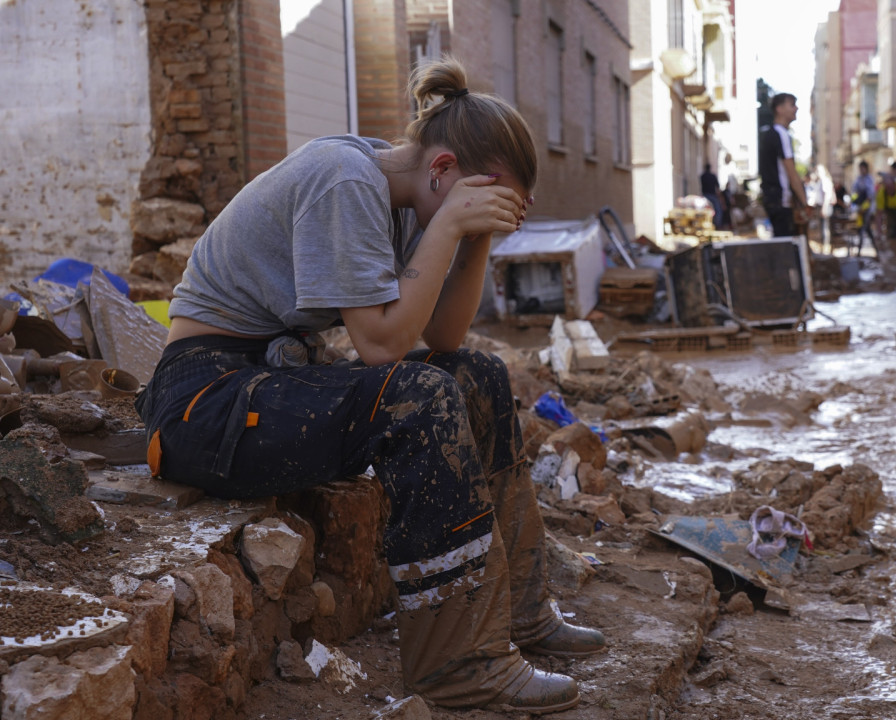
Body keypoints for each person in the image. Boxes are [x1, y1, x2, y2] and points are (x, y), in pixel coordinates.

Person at [133, 57, 603, 714]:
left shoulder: (409, 194)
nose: (480, 213)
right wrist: (447, 224)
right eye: (482, 197)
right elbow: (381, 347)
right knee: (420, 397)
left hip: (271, 379)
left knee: (478, 375)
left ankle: (522, 614)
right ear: (442, 169)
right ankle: (457, 664)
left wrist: (473, 241)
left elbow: (442, 339)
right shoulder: (345, 181)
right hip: (204, 404)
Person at [758, 92, 809, 236]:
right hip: (780, 201)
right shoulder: (781, 134)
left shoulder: (771, 134)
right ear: (779, 109)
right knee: (786, 247)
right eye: (792, 105)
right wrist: (804, 204)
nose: (796, 108)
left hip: (773, 199)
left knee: (782, 245)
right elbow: (791, 173)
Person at [851, 160, 878, 253]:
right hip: (860, 208)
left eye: (863, 168)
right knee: (863, 229)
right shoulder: (858, 179)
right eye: (860, 168)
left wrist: (865, 207)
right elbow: (854, 192)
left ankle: (861, 249)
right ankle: (873, 249)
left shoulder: (869, 179)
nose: (862, 170)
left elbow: (871, 196)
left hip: (867, 209)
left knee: (864, 228)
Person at [701, 162, 726, 229]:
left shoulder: (703, 176)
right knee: (718, 210)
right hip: (712, 195)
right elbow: (717, 187)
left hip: (705, 195)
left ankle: (704, 224)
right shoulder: (713, 176)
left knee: (704, 210)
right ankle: (717, 225)